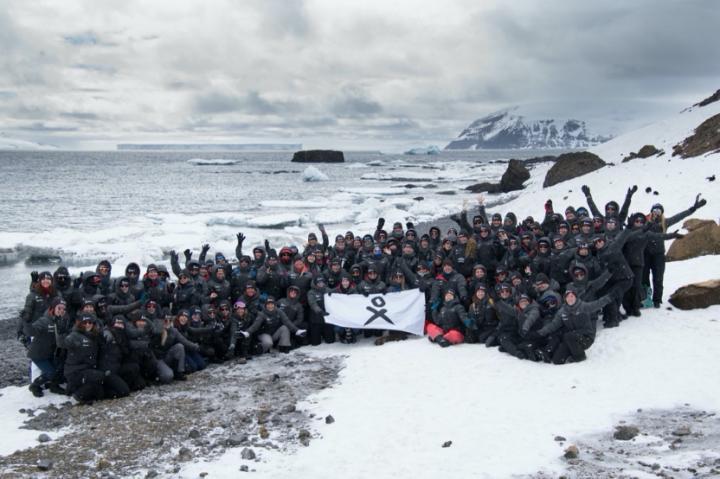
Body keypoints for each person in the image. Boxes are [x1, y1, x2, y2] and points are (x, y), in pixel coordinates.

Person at [643, 194, 706, 307]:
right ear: (651, 212)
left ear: (662, 213)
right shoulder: (645, 222)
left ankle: (657, 300)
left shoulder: (665, 222)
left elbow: (679, 216)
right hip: (645, 254)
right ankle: (646, 298)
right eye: (654, 210)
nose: (656, 212)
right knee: (644, 277)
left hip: (659, 255)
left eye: (659, 210)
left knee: (658, 278)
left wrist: (692, 209)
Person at [537, 288, 612, 364]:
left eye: (572, 296)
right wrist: (540, 332)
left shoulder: (583, 306)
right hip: (571, 340)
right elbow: (553, 325)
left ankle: (580, 356)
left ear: (576, 297)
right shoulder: (562, 311)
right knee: (557, 360)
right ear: (565, 299)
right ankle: (571, 352)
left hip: (586, 337)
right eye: (568, 297)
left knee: (568, 335)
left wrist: (609, 297)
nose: (570, 299)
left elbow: (597, 304)